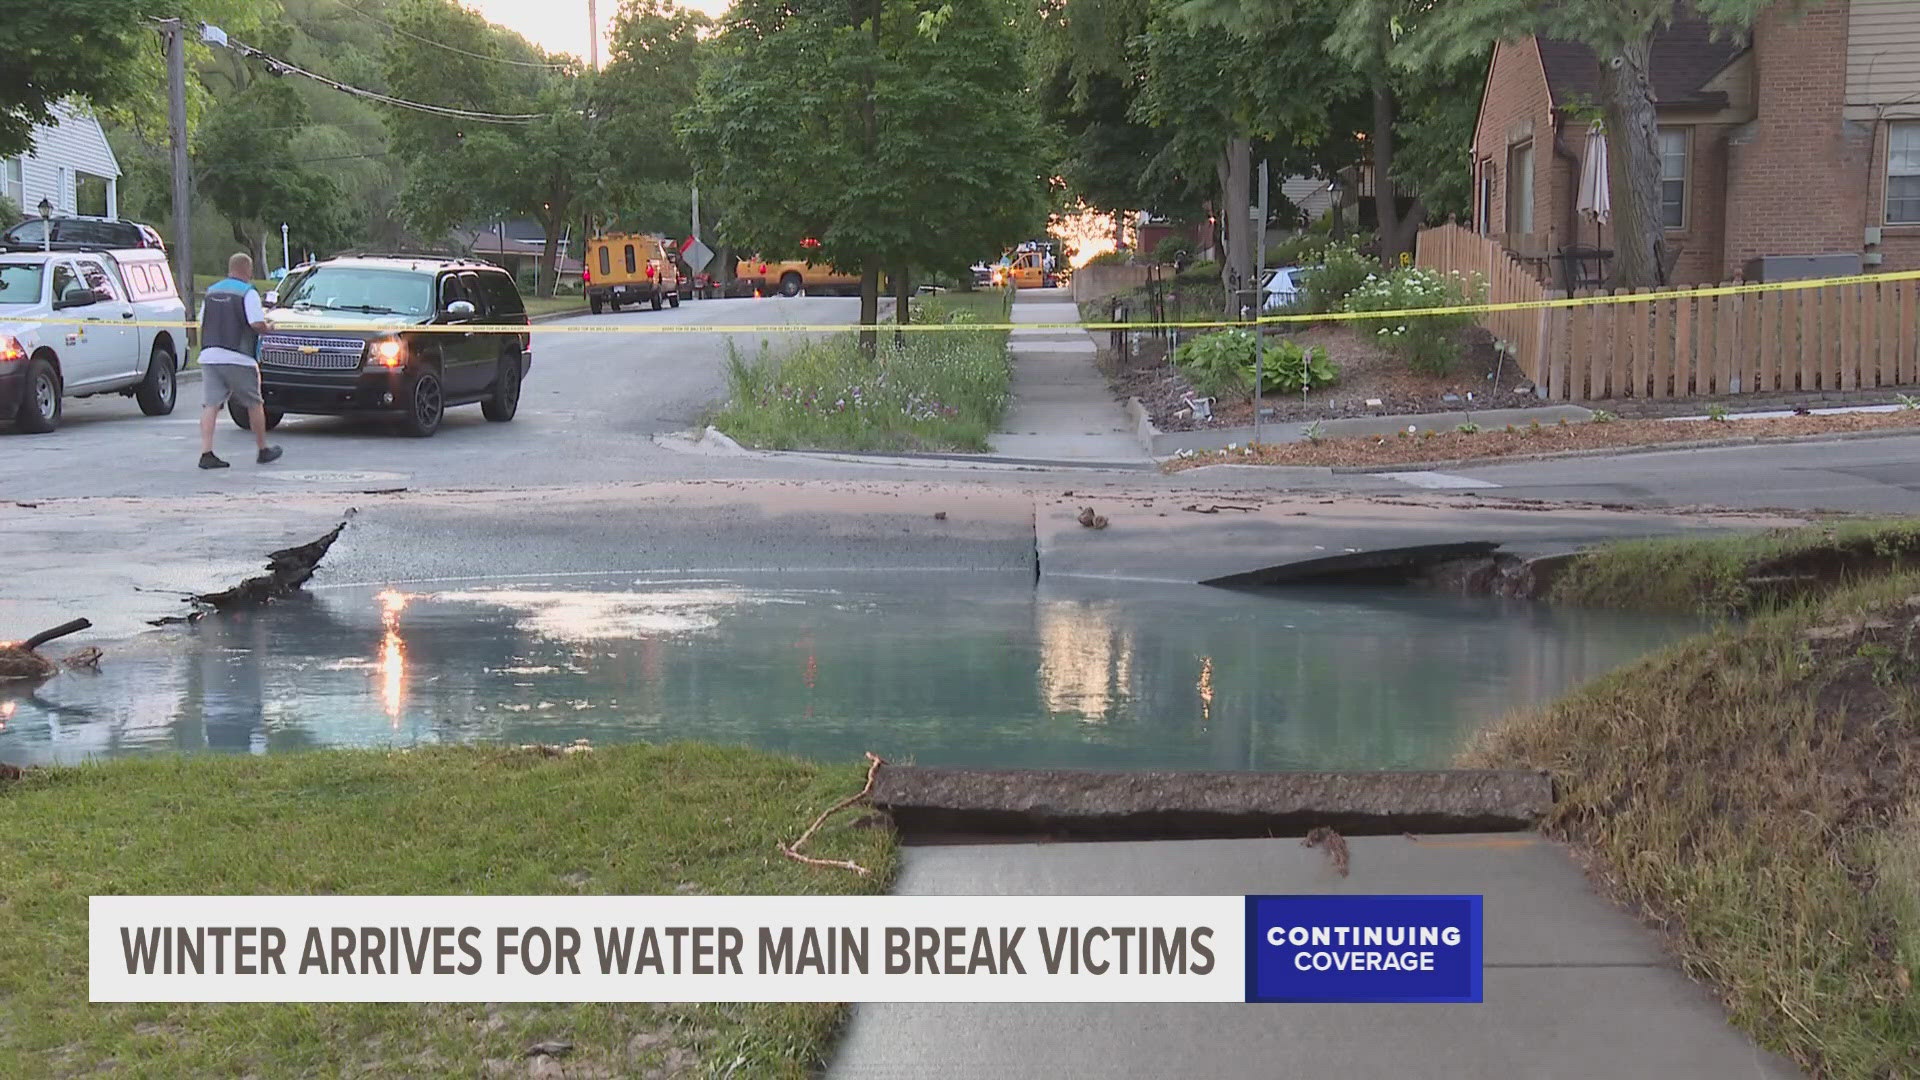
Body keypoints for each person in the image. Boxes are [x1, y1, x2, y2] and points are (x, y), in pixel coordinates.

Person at [197, 252, 283, 469]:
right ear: (248, 270)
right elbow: (255, 322)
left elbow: (201, 320)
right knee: (254, 403)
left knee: (211, 404)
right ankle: (263, 449)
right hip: (239, 356)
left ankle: (206, 453)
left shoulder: (211, 291)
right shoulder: (247, 292)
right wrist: (269, 328)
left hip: (209, 354)